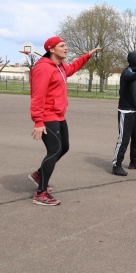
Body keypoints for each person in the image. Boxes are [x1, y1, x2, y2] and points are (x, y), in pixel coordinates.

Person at [28, 36, 101, 205]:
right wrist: (38, 121)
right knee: (54, 149)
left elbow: (72, 68)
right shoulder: (43, 69)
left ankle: (38, 175)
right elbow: (37, 96)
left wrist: (87, 56)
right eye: (62, 45)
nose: (66, 48)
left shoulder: (60, 67)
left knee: (64, 147)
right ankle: (41, 194)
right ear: (51, 49)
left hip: (59, 114)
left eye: (66, 45)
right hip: (47, 116)